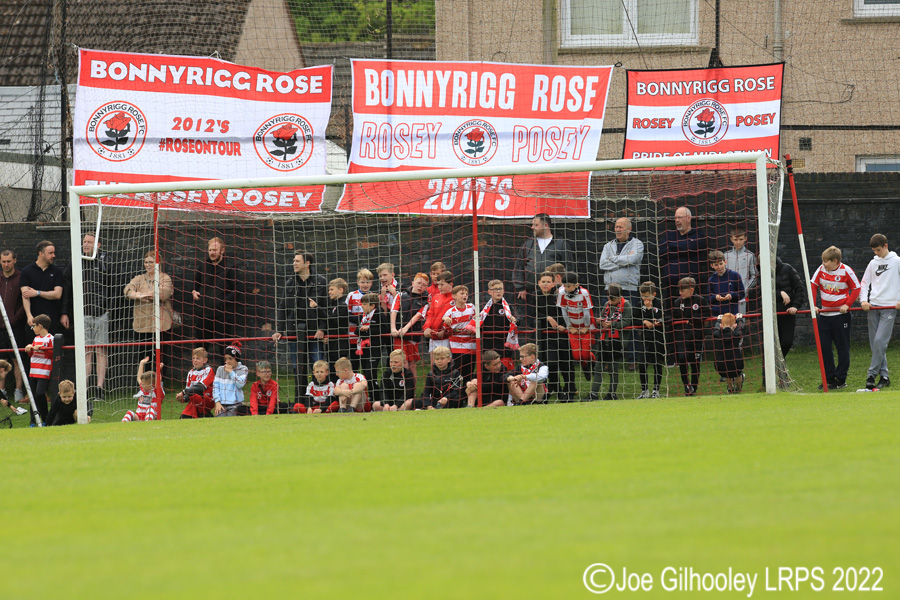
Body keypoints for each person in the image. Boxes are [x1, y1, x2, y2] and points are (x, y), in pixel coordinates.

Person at [62, 233, 112, 400]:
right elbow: (67, 289)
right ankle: (83, 389)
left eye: (89, 242)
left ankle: (99, 388)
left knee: (101, 350)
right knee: (86, 351)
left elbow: (114, 285)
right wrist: (65, 312)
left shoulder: (106, 262)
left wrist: (111, 309)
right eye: (84, 242)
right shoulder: (76, 262)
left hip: (102, 314)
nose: (86, 244)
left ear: (97, 245)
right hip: (82, 314)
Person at [272, 251, 326, 398]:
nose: (294, 263)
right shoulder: (290, 283)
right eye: (293, 260)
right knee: (297, 367)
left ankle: (319, 398)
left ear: (307, 263)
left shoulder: (321, 282)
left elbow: (326, 307)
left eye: (297, 261)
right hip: (294, 331)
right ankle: (300, 400)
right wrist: (279, 330)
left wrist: (322, 328)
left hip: (315, 332)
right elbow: (283, 307)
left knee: (318, 365)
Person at [810, 246, 860, 390]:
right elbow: (813, 285)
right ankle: (829, 378)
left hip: (840, 316)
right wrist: (814, 305)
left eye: (826, 261)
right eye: (823, 261)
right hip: (824, 316)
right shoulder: (821, 269)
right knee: (824, 348)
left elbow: (856, 288)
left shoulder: (846, 270)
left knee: (842, 347)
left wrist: (847, 304)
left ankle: (841, 379)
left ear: (835, 261)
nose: (824, 264)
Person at [513, 214, 573, 327]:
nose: (532, 227)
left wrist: (563, 287)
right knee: (534, 325)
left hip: (555, 294)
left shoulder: (560, 244)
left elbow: (569, 267)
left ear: (545, 225)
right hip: (531, 294)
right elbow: (519, 266)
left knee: (555, 325)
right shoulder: (528, 244)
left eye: (535, 225)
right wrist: (521, 287)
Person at [598, 217, 644, 367]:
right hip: (609, 289)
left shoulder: (637, 244)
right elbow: (602, 264)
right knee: (608, 323)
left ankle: (633, 359)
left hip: (629, 290)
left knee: (628, 324)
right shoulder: (607, 245)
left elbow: (633, 259)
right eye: (616, 227)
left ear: (629, 229)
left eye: (620, 227)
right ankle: (608, 360)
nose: (617, 230)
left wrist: (613, 260)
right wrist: (622, 261)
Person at [859, 233, 900, 390]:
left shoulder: (897, 261)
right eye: (874, 250)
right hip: (873, 307)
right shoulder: (872, 263)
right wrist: (864, 300)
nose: (876, 253)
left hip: (889, 307)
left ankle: (871, 374)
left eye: (878, 250)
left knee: (879, 342)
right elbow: (864, 283)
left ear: (885, 246)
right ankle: (884, 376)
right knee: (875, 344)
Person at [124, 250, 175, 376]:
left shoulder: (165, 278)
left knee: (162, 355)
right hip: (142, 324)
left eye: (151, 262)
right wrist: (137, 295)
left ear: (158, 263)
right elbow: (127, 290)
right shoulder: (139, 278)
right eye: (146, 262)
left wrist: (143, 295)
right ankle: (144, 385)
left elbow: (163, 293)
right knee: (143, 356)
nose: (148, 265)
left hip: (162, 324)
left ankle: (160, 382)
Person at [191, 237, 240, 355]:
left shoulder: (230, 267)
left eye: (215, 250)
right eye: (210, 250)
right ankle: (200, 373)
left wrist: (222, 302)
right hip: (204, 314)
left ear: (222, 250)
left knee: (224, 350)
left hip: (222, 316)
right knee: (200, 349)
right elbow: (195, 283)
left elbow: (237, 290)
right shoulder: (203, 266)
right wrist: (194, 291)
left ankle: (225, 373)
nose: (212, 253)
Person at [588, 284, 632, 401]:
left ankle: (612, 394)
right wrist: (599, 321)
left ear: (620, 296)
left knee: (613, 369)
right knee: (598, 367)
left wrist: (612, 324)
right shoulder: (606, 305)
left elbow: (627, 322)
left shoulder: (626, 305)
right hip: (603, 340)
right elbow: (603, 318)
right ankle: (593, 394)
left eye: (613, 299)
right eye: (609, 298)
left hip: (617, 341)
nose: (611, 301)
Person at [535, 271, 574, 401]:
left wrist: (563, 325)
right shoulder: (534, 297)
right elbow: (531, 314)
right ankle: (557, 390)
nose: (545, 284)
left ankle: (570, 390)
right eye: (543, 282)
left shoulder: (559, 296)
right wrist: (546, 318)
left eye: (548, 282)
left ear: (553, 283)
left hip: (563, 335)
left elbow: (566, 312)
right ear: (539, 283)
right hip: (547, 338)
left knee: (566, 364)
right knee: (551, 364)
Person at [666, 277, 708, 396]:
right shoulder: (677, 302)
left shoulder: (700, 300)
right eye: (679, 291)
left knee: (695, 363)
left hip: (696, 337)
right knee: (682, 359)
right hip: (682, 337)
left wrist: (695, 319)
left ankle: (694, 387)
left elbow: (707, 313)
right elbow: (673, 316)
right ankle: (686, 385)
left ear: (691, 289)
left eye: (682, 291)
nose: (680, 293)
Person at [660, 207, 708, 299]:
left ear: (688, 218)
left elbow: (691, 248)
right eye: (675, 218)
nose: (677, 220)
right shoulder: (670, 234)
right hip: (670, 286)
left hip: (689, 285)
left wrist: (672, 246)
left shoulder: (697, 234)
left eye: (680, 217)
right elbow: (662, 251)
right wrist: (683, 248)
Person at [0, 249, 28, 402]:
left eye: (8, 261)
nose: (6, 264)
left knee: (17, 359)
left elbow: (25, 302)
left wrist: (15, 319)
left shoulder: (20, 277)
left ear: (14, 261)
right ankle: (1, 391)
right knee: (0, 360)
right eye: (3, 262)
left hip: (15, 326)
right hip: (0, 328)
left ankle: (18, 391)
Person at [390, 273, 430, 379]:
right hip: (399, 335)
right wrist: (393, 328)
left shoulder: (425, 301)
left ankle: (413, 391)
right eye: (419, 283)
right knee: (403, 363)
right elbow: (394, 311)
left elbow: (418, 316)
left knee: (412, 364)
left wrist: (406, 328)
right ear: (413, 283)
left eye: (424, 285)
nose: (421, 286)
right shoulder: (401, 295)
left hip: (413, 336)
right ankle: (403, 388)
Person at [557, 272, 596, 380]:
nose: (565, 288)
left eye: (568, 286)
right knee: (577, 356)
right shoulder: (561, 293)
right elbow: (563, 311)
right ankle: (585, 366)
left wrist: (587, 326)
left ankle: (593, 363)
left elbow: (587, 312)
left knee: (585, 355)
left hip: (585, 326)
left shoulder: (584, 293)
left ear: (576, 285)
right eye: (564, 285)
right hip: (573, 327)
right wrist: (570, 326)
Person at [19, 240, 65, 331]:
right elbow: (25, 295)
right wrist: (29, 315)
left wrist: (37, 293)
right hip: (33, 321)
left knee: (51, 345)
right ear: (41, 253)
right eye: (50, 253)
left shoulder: (57, 272)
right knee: (32, 345)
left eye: (54, 253)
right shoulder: (26, 271)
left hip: (51, 320)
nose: (54, 256)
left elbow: (57, 294)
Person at [402, 345, 462, 410]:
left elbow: (457, 391)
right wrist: (428, 405)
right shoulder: (431, 374)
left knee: (457, 398)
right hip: (434, 401)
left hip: (449, 400)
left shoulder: (455, 373)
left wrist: (446, 398)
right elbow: (426, 392)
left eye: (442, 359)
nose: (439, 361)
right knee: (414, 402)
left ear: (449, 359)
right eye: (437, 359)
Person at [441, 285, 477, 383]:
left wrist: (473, 328)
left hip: (471, 346)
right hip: (457, 346)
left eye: (466, 294)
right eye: (461, 293)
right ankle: (455, 396)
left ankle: (466, 396)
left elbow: (478, 320)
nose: (465, 295)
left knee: (468, 374)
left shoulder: (472, 307)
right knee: (456, 374)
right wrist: (446, 321)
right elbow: (446, 328)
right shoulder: (450, 312)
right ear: (454, 296)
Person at [636, 282, 665, 399]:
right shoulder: (639, 305)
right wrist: (644, 321)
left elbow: (665, 317)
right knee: (642, 364)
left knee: (657, 364)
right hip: (644, 339)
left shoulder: (659, 303)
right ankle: (644, 390)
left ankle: (656, 390)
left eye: (647, 296)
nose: (644, 299)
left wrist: (650, 311)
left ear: (654, 294)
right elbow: (633, 319)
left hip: (658, 339)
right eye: (642, 296)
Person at [354, 292, 390, 386]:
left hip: (375, 348)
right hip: (363, 348)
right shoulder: (362, 316)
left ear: (372, 305)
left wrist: (368, 328)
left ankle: (376, 397)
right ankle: (371, 397)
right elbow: (356, 331)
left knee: (370, 374)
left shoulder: (379, 314)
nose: (362, 306)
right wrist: (362, 329)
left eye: (364, 304)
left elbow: (385, 329)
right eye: (362, 304)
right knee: (366, 374)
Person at [774, 256, 805, 358]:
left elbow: (799, 288)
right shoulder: (761, 273)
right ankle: (767, 372)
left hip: (787, 313)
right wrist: (780, 293)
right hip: (770, 315)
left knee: (787, 342)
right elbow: (758, 292)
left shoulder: (787, 269)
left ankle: (778, 363)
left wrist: (795, 306)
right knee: (770, 345)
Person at [25, 314, 53, 425]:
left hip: (44, 372)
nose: (32, 329)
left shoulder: (51, 338)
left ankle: (45, 419)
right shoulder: (36, 338)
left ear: (39, 326)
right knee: (33, 397)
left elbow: (51, 354)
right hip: (33, 372)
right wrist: (29, 349)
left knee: (40, 394)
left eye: (33, 326)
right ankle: (33, 421)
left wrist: (41, 348)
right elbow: (32, 355)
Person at [479, 280, 518, 360]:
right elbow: (479, 325)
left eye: (500, 289)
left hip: (504, 346)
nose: (498, 291)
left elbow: (518, 321)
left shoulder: (508, 307)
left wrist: (515, 320)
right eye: (495, 289)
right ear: (489, 292)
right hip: (488, 345)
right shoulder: (484, 308)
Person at [320, 278, 351, 373]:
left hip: (340, 343)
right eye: (329, 290)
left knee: (340, 370)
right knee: (332, 369)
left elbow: (333, 321)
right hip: (331, 342)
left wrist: (317, 308)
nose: (329, 292)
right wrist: (325, 334)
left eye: (332, 289)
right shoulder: (332, 305)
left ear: (341, 290)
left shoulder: (342, 306)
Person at [724, 225, 757, 314]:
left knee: (740, 322)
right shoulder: (726, 255)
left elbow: (755, 276)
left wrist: (745, 289)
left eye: (741, 239)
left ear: (745, 238)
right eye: (735, 239)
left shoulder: (750, 255)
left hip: (741, 297)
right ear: (731, 239)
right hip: (726, 296)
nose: (738, 242)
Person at [175, 347, 215, 419]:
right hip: (195, 400)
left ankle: (186, 416)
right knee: (193, 401)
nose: (195, 360)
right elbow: (189, 391)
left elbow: (200, 387)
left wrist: (184, 392)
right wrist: (183, 398)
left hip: (208, 400)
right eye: (193, 358)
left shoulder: (209, 370)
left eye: (198, 358)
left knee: (197, 394)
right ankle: (206, 416)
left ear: (205, 360)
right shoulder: (191, 372)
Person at [213, 342, 249, 416]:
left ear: (237, 359)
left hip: (236, 405)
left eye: (230, 358)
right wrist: (217, 402)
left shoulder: (243, 369)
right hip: (222, 404)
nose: (227, 361)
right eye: (226, 358)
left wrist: (231, 372)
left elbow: (240, 384)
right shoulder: (220, 369)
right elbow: (216, 387)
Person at [122, 356, 163, 422]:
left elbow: (158, 382)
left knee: (150, 408)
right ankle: (122, 426)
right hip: (139, 417)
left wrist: (159, 370)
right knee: (129, 413)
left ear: (150, 386)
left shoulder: (155, 392)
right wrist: (142, 363)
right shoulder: (143, 389)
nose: (141, 384)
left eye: (143, 384)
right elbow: (139, 377)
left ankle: (148, 424)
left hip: (152, 416)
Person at [713, 313, 745, 394]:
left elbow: (716, 329)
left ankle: (730, 389)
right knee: (737, 372)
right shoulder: (736, 335)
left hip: (720, 368)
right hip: (736, 366)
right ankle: (738, 388)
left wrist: (718, 320)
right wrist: (739, 319)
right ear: (734, 326)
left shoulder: (716, 335)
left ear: (720, 325)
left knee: (726, 369)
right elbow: (741, 328)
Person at [423, 271, 454, 356]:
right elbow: (430, 314)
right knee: (434, 365)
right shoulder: (436, 297)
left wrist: (445, 329)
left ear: (450, 284)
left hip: (448, 338)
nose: (439, 287)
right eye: (438, 284)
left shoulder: (455, 298)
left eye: (442, 284)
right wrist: (427, 328)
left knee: (447, 364)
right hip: (434, 337)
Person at [707, 250, 745, 317]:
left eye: (721, 263)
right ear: (711, 265)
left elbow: (742, 294)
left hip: (732, 313)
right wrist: (715, 297)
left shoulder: (735, 275)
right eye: (716, 265)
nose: (719, 267)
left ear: (725, 262)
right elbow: (708, 298)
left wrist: (731, 295)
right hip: (717, 315)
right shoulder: (711, 280)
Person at [346, 268, 375, 349]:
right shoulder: (351, 295)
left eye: (367, 282)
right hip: (353, 334)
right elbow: (346, 313)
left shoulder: (374, 297)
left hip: (368, 334)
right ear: (358, 282)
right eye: (362, 282)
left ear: (371, 283)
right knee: (354, 358)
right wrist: (358, 320)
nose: (365, 285)